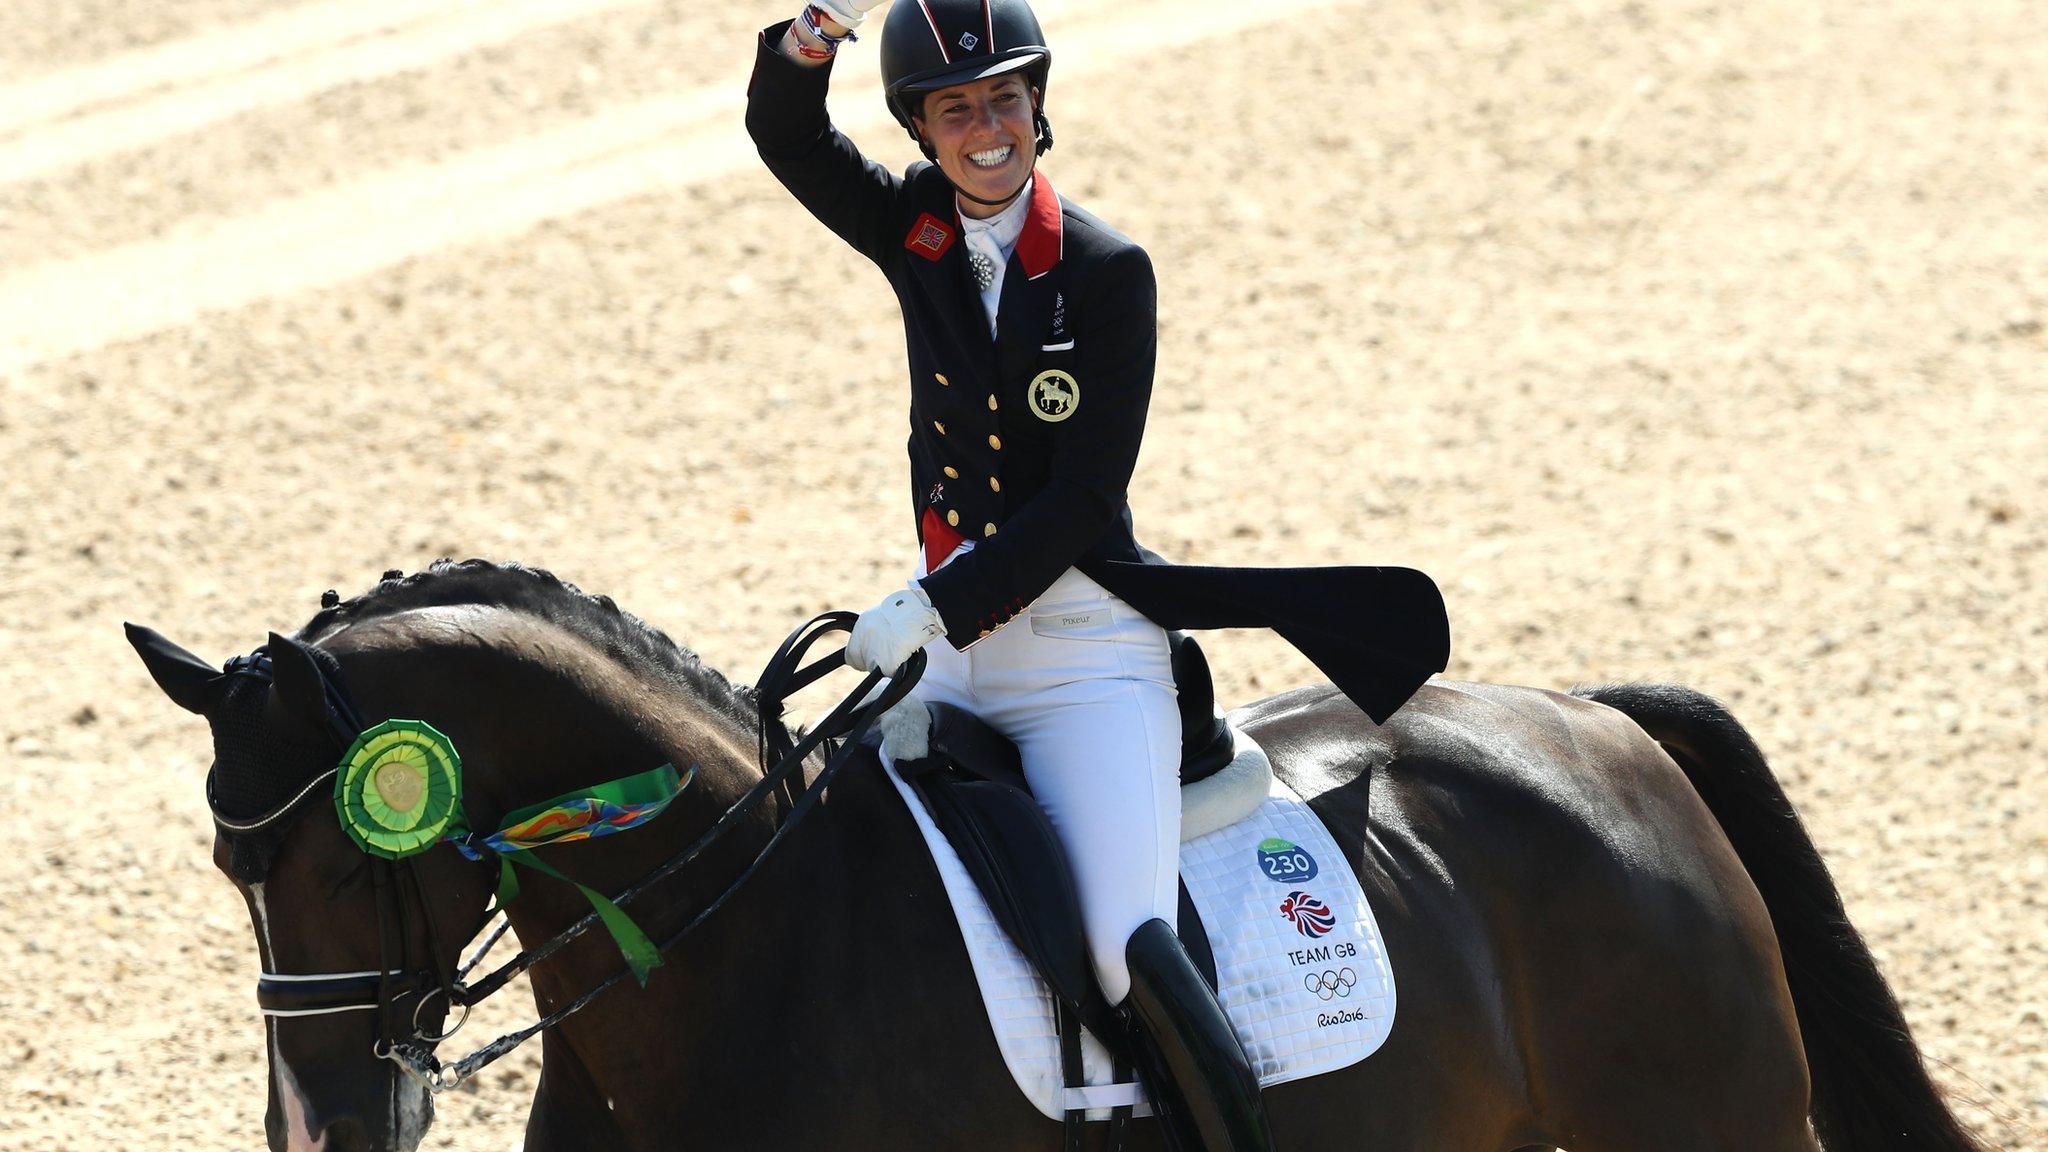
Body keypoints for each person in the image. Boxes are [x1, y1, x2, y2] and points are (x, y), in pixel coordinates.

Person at [746, 3, 1449, 1147]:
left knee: (1126, 947)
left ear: (1037, 104)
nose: (987, 128)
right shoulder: (913, 230)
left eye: (1005, 98)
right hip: (949, 657)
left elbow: (1078, 505)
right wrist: (812, 32)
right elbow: (787, 137)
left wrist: (934, 604)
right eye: (956, 108)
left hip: (1085, 658)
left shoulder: (1107, 271)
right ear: (920, 128)